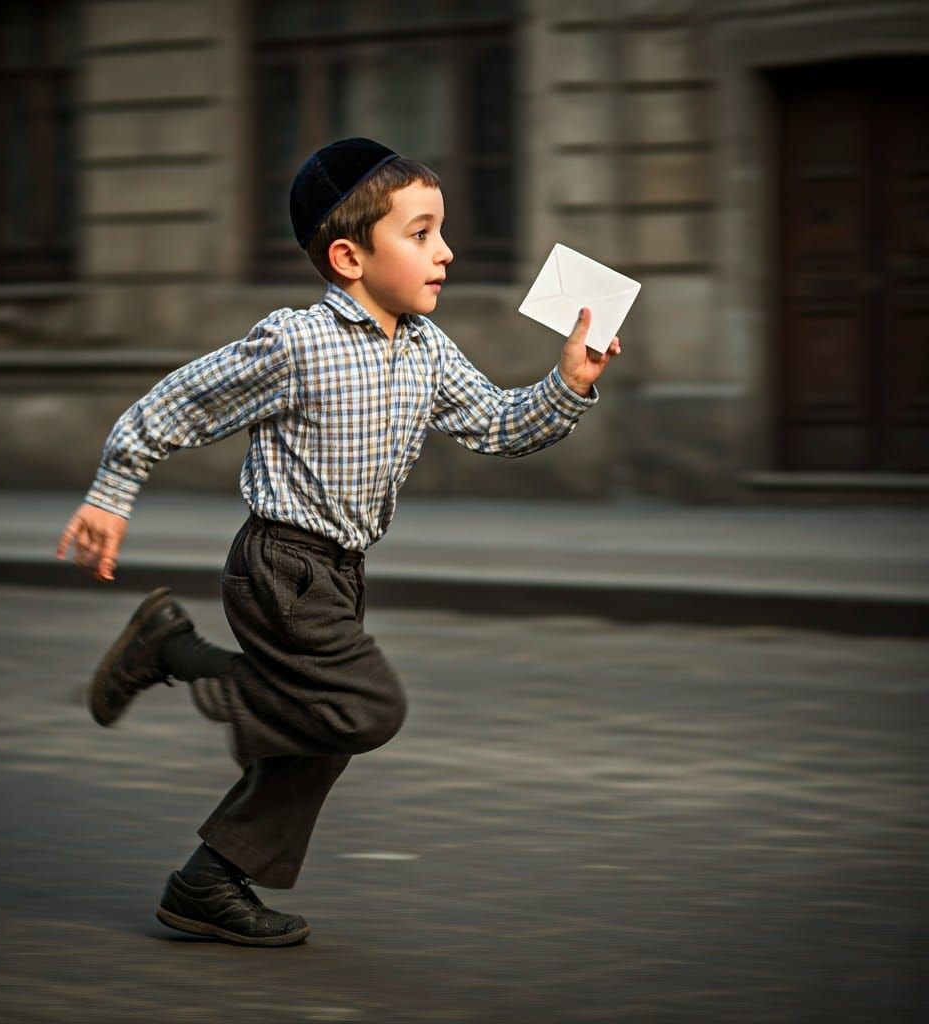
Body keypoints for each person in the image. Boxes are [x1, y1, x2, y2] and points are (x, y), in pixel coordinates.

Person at [56, 137, 621, 948]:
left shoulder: (425, 349)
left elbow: (499, 427)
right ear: (350, 255)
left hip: (338, 573)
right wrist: (112, 492)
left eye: (442, 232)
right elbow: (176, 402)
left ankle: (208, 884)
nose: (446, 252)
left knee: (324, 733)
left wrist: (570, 381)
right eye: (422, 234)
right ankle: (169, 650)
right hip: (280, 565)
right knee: (367, 709)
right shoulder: (296, 342)